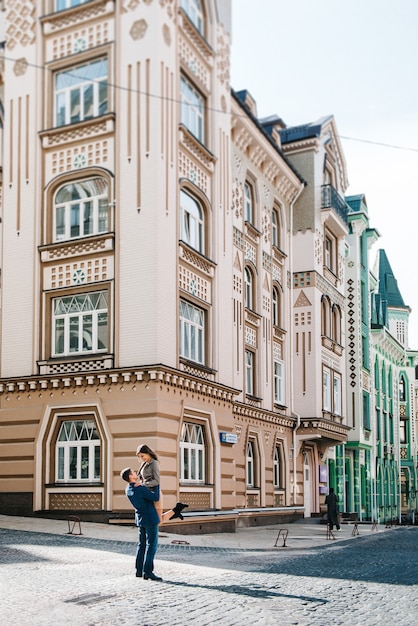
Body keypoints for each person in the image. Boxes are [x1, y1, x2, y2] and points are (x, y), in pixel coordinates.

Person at [120, 467, 164, 580]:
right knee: (151, 546)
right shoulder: (140, 489)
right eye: (133, 472)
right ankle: (148, 572)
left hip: (140, 519)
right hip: (150, 518)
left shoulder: (128, 489)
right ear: (130, 476)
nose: (135, 473)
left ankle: (139, 570)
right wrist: (157, 484)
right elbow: (155, 497)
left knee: (142, 545)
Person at [136, 444, 188, 521]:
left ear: (147, 453)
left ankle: (176, 510)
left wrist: (143, 484)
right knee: (154, 519)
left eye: (142, 456)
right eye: (140, 456)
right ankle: (175, 511)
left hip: (155, 493)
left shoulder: (154, 463)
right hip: (148, 494)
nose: (141, 458)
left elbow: (156, 481)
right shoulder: (144, 464)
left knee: (158, 520)